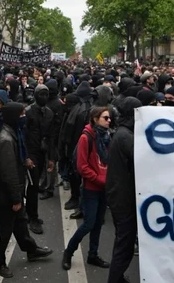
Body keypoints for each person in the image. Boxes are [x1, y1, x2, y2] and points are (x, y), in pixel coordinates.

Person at [0, 102, 53, 278]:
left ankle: (31, 249)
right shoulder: (5, 140)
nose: (24, 117)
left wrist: (24, 159)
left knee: (20, 222)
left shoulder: (11, 133)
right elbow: (8, 173)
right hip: (7, 193)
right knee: (4, 229)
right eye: (21, 114)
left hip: (13, 189)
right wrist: (16, 199)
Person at [62, 106, 112, 271]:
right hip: (91, 188)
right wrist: (100, 179)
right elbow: (82, 166)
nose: (109, 120)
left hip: (103, 188)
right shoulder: (86, 137)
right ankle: (68, 252)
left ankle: (93, 255)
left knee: (98, 223)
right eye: (105, 118)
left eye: (109, 117)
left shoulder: (106, 136)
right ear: (95, 119)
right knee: (88, 224)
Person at [106, 97, 142, 283]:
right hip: (124, 198)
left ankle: (117, 277)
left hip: (119, 195)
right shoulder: (126, 137)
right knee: (124, 245)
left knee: (122, 241)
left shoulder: (123, 133)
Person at [24, 84, 56, 234]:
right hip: (32, 152)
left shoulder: (49, 113)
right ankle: (33, 217)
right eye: (41, 94)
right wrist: (26, 156)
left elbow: (51, 136)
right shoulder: (29, 112)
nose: (44, 97)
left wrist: (52, 158)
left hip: (42, 152)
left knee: (34, 185)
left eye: (46, 95)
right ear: (36, 95)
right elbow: (23, 136)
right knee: (33, 184)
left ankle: (30, 213)